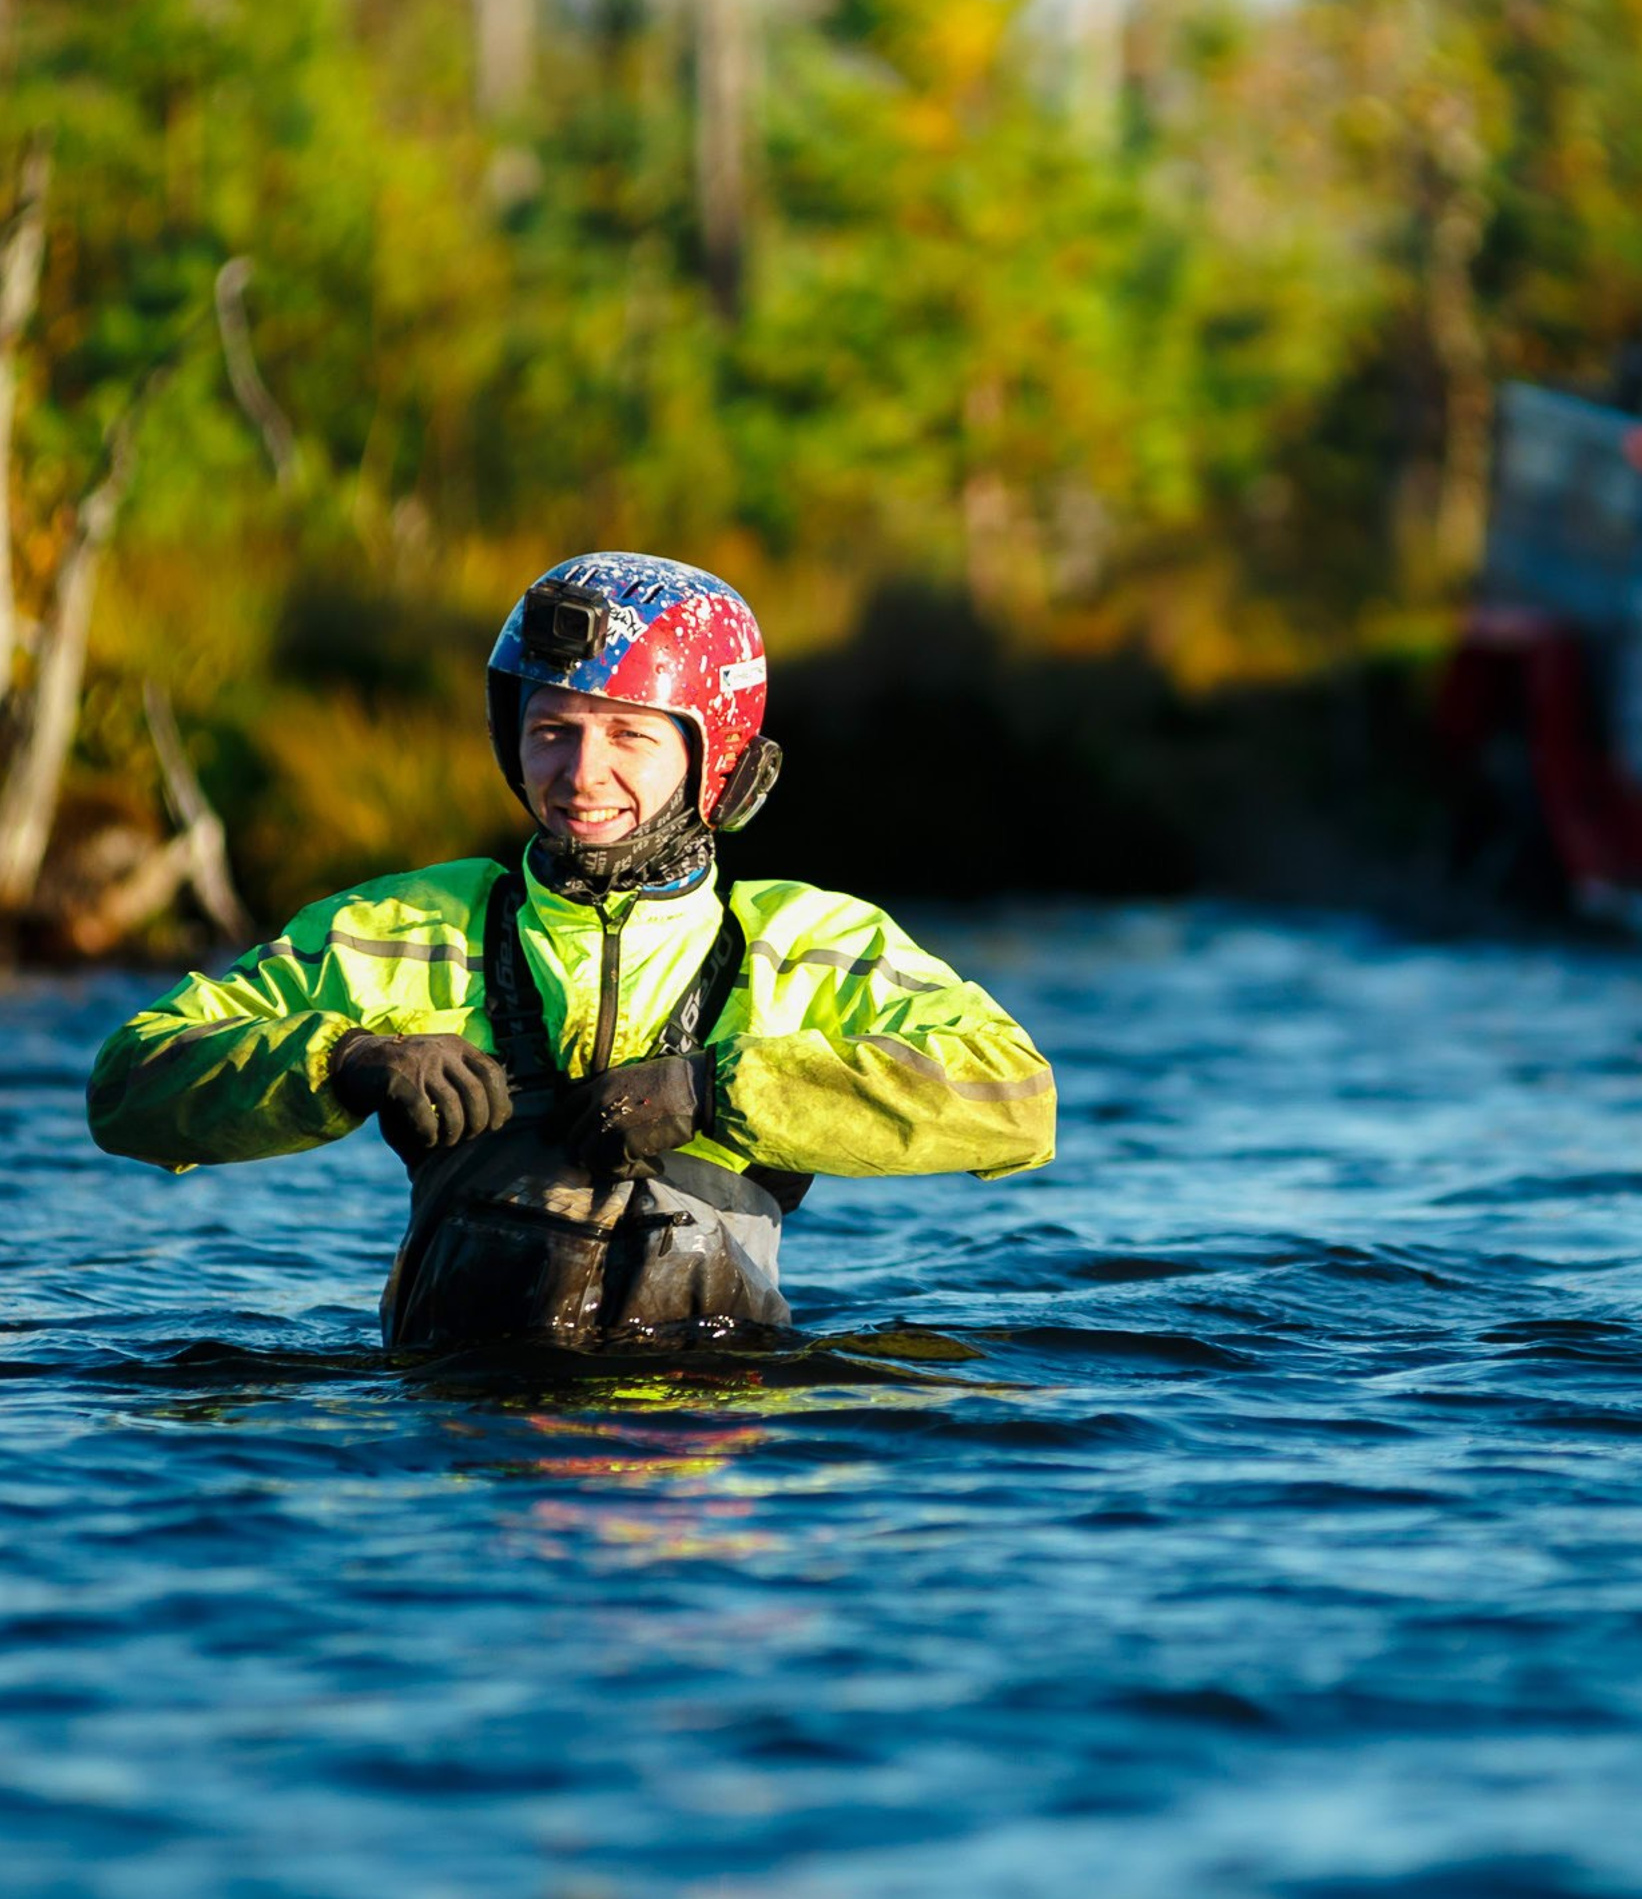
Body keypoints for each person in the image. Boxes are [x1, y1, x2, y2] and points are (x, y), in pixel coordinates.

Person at [88, 553, 1055, 1350]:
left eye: (629, 736)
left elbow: (1019, 1100)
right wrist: (347, 1062)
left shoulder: (811, 945)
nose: (580, 775)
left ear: (718, 762)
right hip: (463, 1447)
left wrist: (718, 1094)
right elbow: (128, 1086)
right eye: (552, 732)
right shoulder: (404, 929)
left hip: (713, 1434)